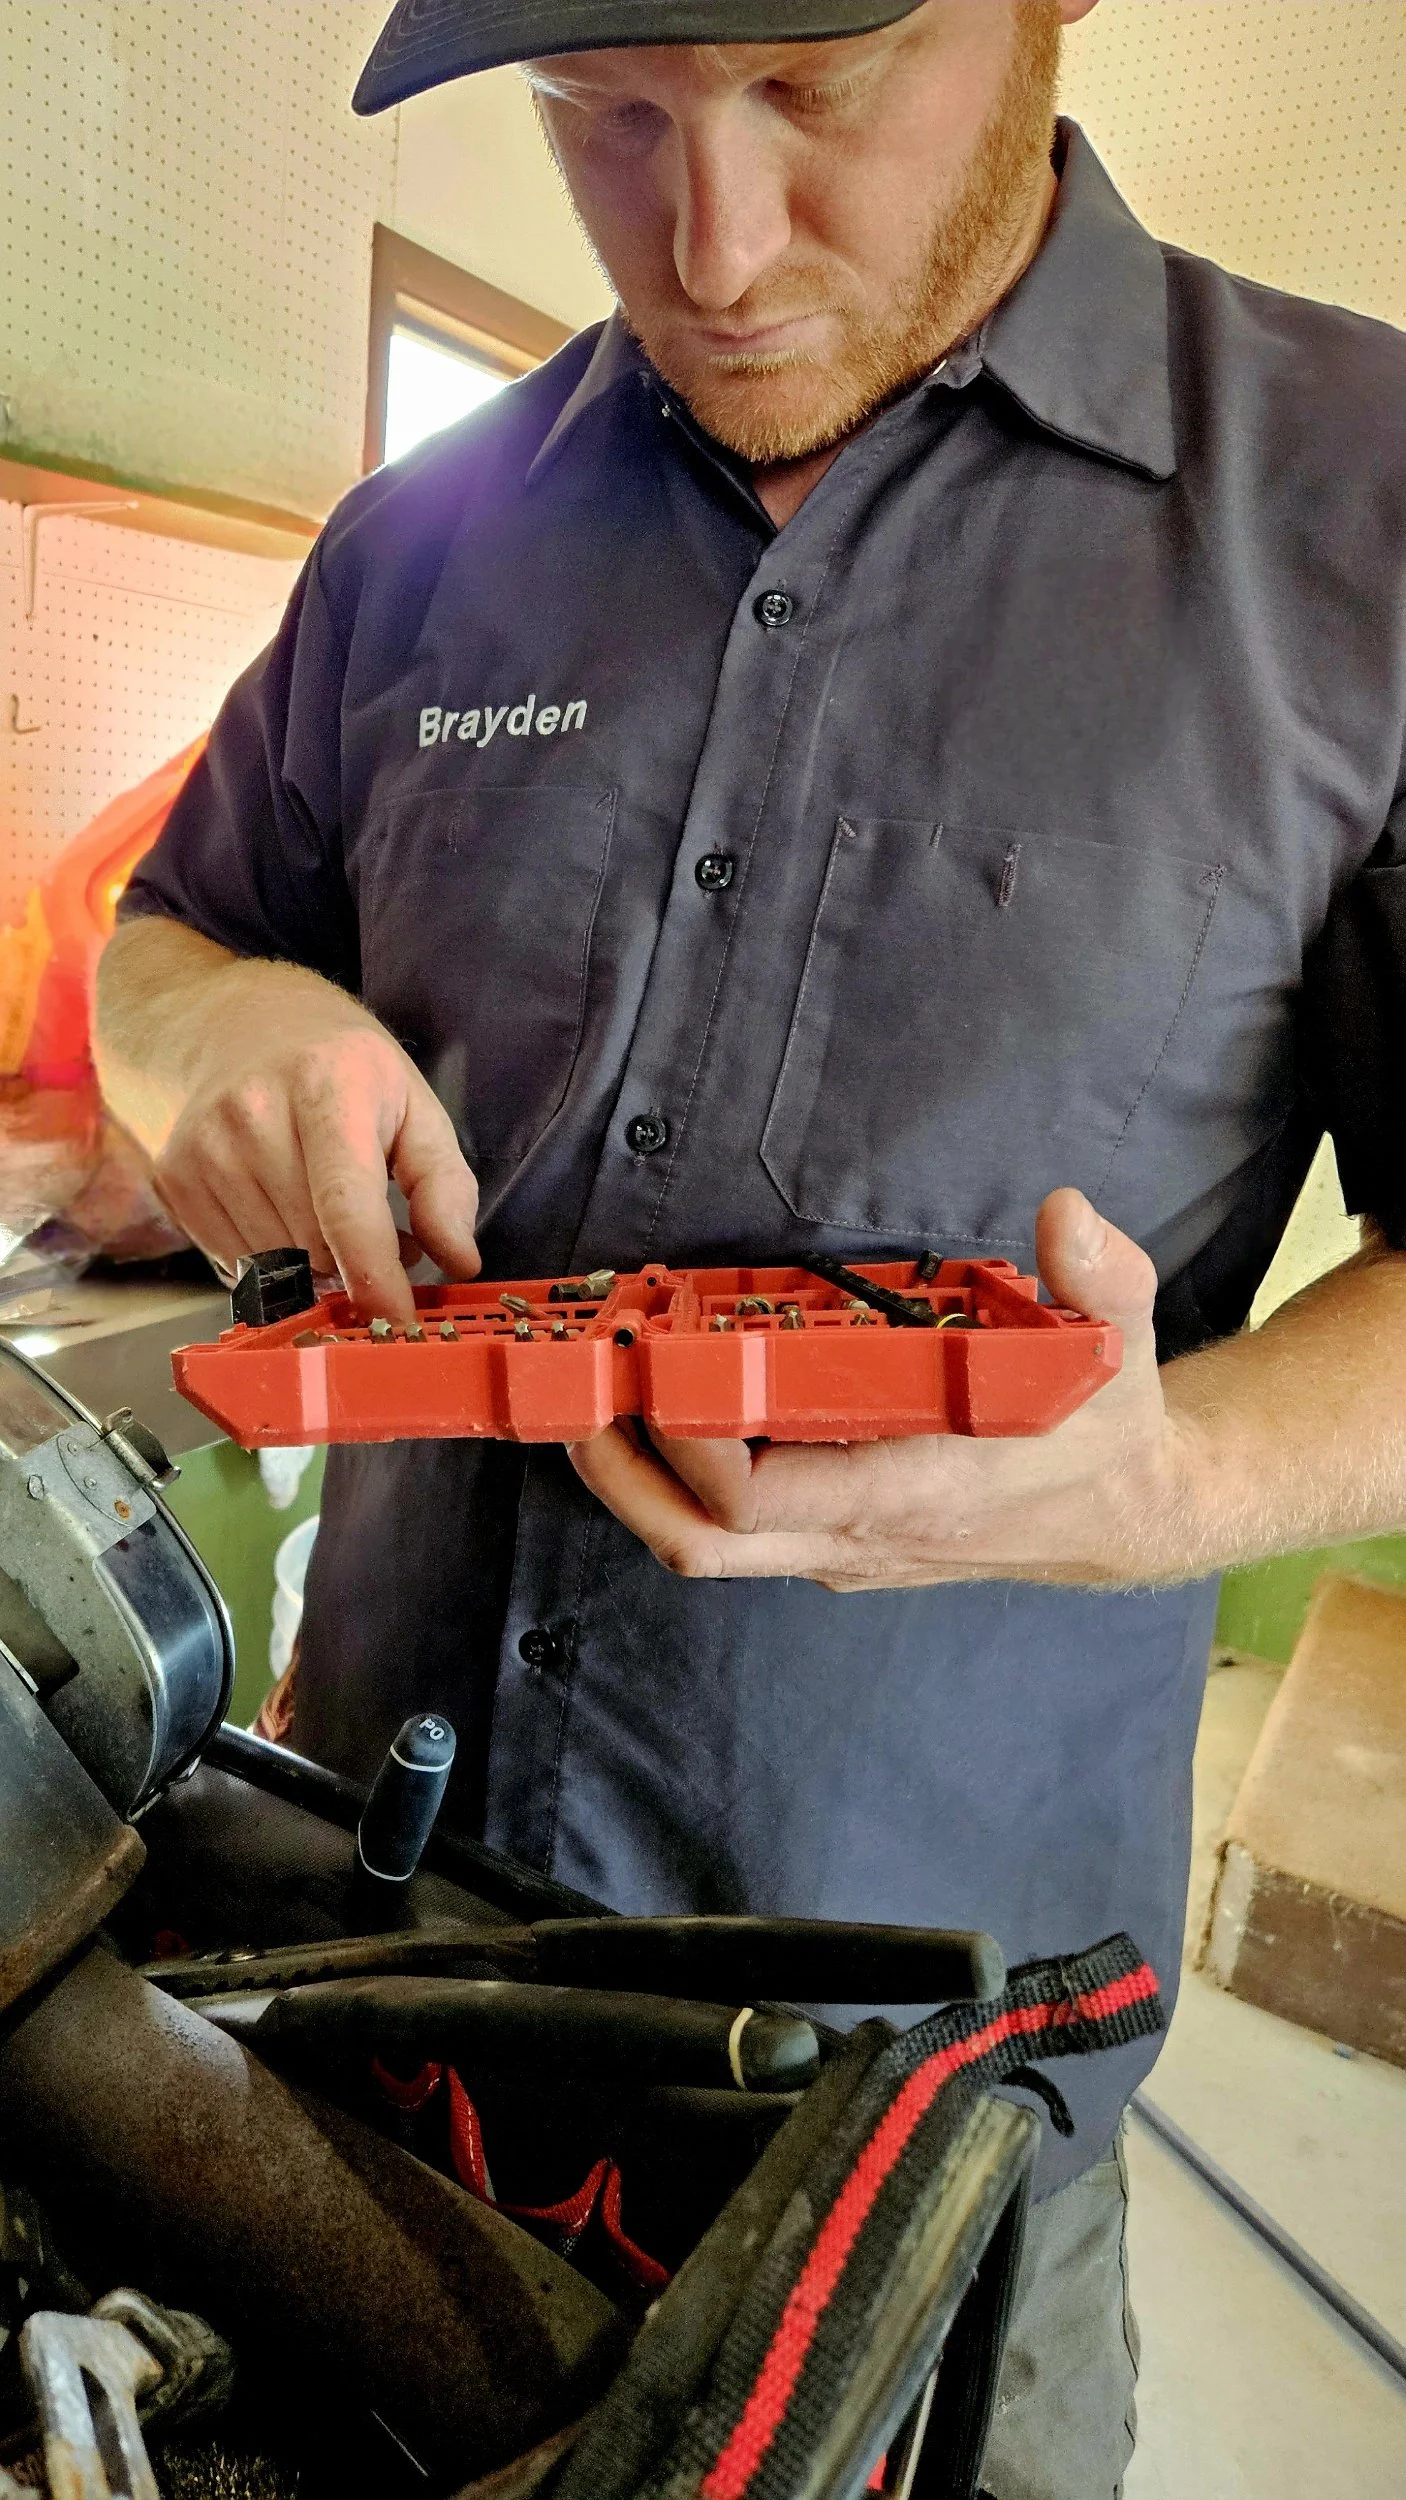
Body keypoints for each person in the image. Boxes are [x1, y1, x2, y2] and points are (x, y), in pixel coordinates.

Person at [96, 3, 1406, 2490]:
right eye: (601, 116)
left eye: (809, 91)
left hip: (926, 2101)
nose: (705, 245)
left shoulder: (1369, 513)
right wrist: (226, 1024)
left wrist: (1160, 1483)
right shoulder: (418, 539)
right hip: (361, 1973)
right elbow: (156, 944)